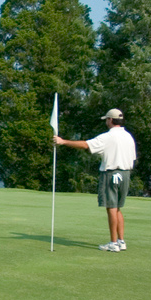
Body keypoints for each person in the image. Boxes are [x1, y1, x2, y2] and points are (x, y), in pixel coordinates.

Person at [54, 108, 137, 252]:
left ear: (110, 120)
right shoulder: (128, 136)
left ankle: (113, 243)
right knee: (117, 208)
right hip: (125, 174)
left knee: (111, 207)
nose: (106, 121)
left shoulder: (108, 136)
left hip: (111, 173)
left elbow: (86, 145)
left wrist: (63, 142)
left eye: (107, 119)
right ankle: (121, 241)